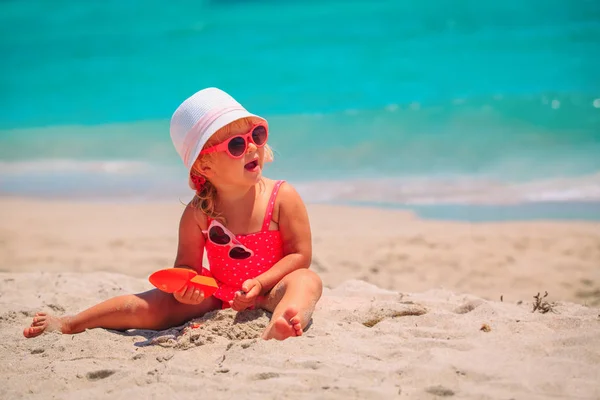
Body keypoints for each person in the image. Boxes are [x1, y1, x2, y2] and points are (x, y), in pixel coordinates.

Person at [23, 87, 323, 341]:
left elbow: (299, 255)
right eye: (235, 144)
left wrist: (261, 282)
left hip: (272, 290)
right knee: (150, 303)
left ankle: (282, 321)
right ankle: (71, 323)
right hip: (218, 295)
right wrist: (186, 291)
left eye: (256, 135)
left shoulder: (282, 196)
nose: (252, 148)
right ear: (205, 167)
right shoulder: (199, 213)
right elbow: (187, 270)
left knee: (307, 280)